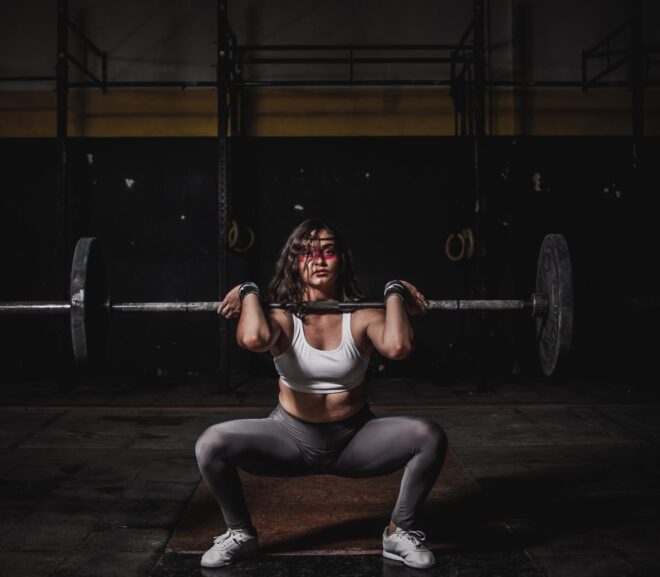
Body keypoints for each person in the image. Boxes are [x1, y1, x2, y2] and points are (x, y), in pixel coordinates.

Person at [195, 219, 448, 570]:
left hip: (355, 440)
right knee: (211, 443)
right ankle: (240, 533)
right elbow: (253, 339)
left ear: (341, 259)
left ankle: (400, 531)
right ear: (293, 262)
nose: (318, 260)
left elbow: (399, 346)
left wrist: (394, 292)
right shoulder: (282, 318)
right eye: (306, 252)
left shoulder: (361, 316)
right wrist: (248, 291)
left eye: (327, 251)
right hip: (288, 439)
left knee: (429, 436)